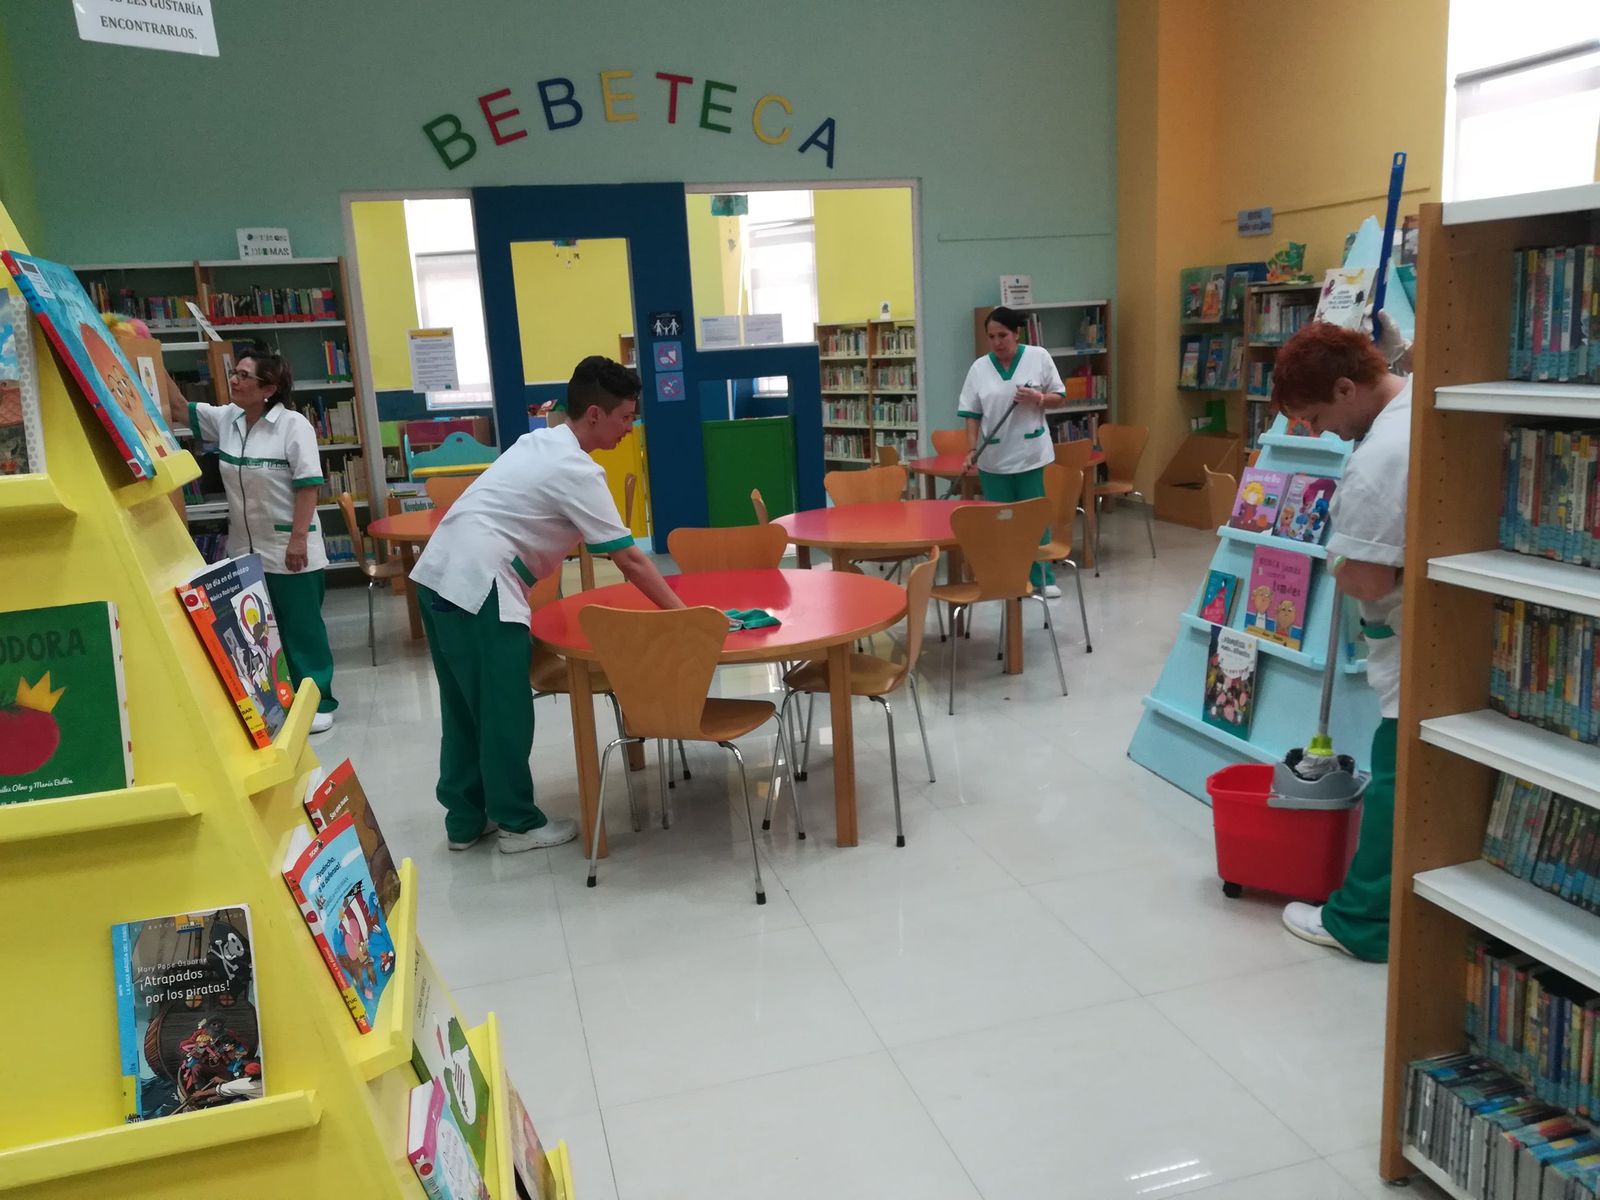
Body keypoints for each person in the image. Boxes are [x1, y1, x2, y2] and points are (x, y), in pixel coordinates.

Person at [410, 355, 684, 854]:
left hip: (437, 576)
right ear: (595, 415)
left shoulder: (538, 441)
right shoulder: (576, 468)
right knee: (504, 708)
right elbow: (632, 560)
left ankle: (466, 821)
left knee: (464, 706)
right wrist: (685, 616)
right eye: (626, 416)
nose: (632, 426)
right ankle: (517, 822)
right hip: (480, 584)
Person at [1270, 316, 1412, 962]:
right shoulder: (1416, 401)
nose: (1318, 432)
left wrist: (1337, 558)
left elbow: (1366, 577)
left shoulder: (1381, 456)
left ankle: (1360, 922)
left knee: (1396, 773)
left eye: (1317, 417)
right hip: (1423, 632)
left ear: (1348, 388)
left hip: (1410, 640)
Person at [186, 351, 339, 734]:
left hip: (290, 546)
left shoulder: (293, 426)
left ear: (269, 389)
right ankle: (277, 699)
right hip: (244, 549)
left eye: (244, 376)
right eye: (234, 373)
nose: (234, 381)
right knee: (258, 630)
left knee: (301, 628)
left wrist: (298, 540)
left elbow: (308, 485)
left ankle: (318, 699)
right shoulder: (228, 419)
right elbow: (177, 405)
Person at [957, 306, 1068, 596]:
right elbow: (971, 413)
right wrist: (971, 448)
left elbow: (1059, 398)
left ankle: (1042, 578)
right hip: (993, 459)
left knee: (1033, 519)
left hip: (1031, 454)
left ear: (1016, 333)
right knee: (1001, 523)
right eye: (991, 336)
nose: (997, 342)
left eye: (1003, 335)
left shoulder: (1038, 357)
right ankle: (1006, 579)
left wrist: (1039, 397)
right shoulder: (979, 368)